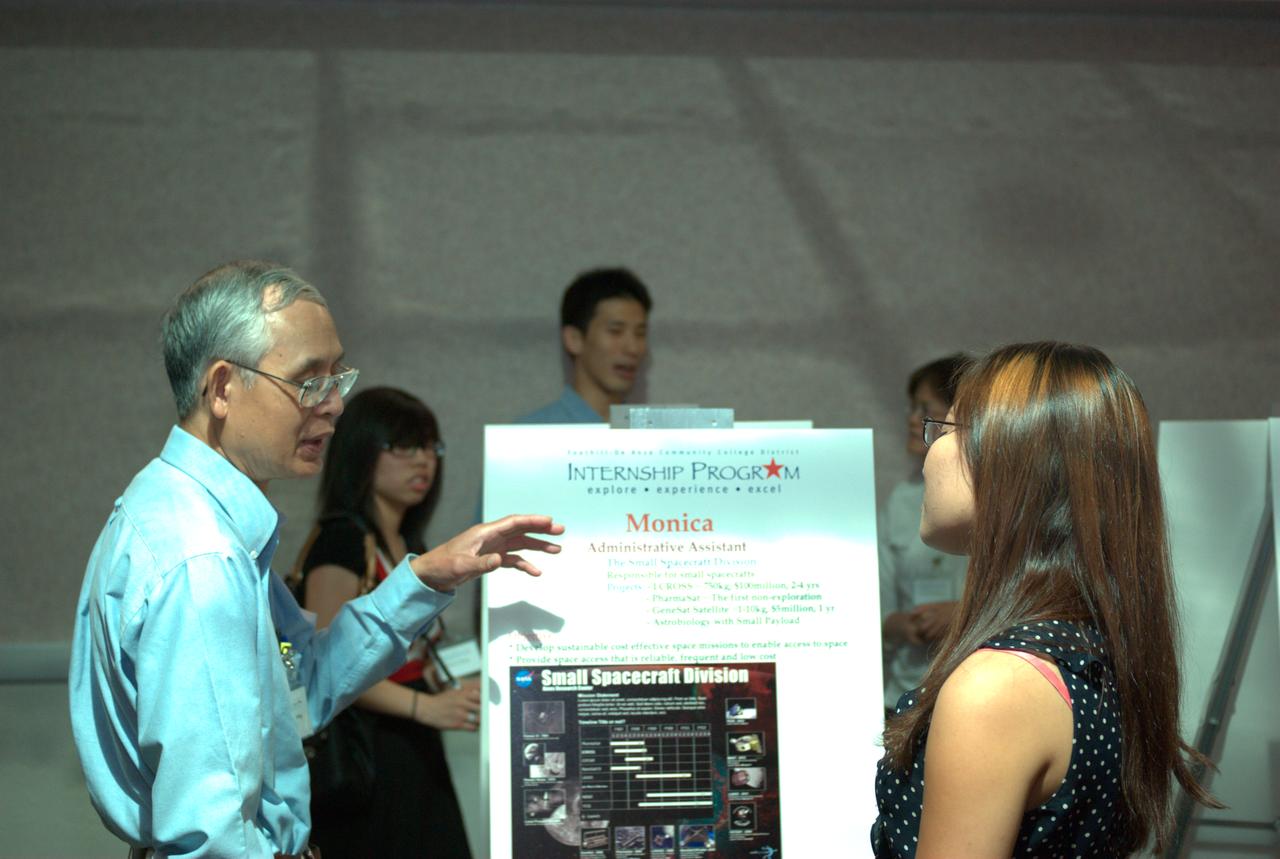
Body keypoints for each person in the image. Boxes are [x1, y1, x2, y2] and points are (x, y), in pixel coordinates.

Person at [69, 260, 563, 859]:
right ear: (223, 388)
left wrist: (426, 576)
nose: (333, 406)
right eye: (309, 382)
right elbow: (214, 834)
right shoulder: (204, 560)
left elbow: (303, 690)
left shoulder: (175, 509)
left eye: (338, 378)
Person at [872, 342, 1218, 858]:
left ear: (1013, 463)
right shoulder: (1092, 647)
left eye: (947, 428)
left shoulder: (999, 684)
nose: (929, 449)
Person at [295, 387, 475, 857]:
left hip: (415, 745)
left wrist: (445, 689)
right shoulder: (342, 539)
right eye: (403, 446)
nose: (423, 462)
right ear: (361, 451)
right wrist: (424, 708)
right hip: (366, 752)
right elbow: (330, 663)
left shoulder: (410, 540)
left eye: (430, 447)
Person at [878, 355, 969, 713]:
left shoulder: (1004, 497)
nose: (913, 420)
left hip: (974, 690)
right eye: (911, 409)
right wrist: (897, 625)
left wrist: (963, 614)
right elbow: (880, 599)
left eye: (925, 409)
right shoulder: (900, 500)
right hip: (905, 692)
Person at [517, 267, 652, 423]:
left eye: (640, 334)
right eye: (615, 331)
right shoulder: (529, 436)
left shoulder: (659, 437)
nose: (633, 348)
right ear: (574, 339)